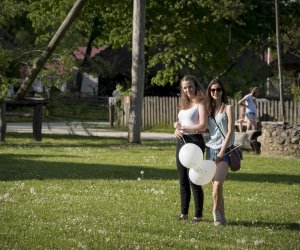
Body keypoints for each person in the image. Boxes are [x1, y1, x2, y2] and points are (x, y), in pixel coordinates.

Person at [174, 75, 207, 224]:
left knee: (194, 179)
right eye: (185, 87)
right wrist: (176, 130)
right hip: (181, 142)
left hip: (195, 142)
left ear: (196, 86)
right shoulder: (183, 104)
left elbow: (202, 126)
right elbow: (179, 123)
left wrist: (184, 127)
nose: (188, 90)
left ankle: (198, 216)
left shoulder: (200, 103)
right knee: (182, 180)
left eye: (190, 86)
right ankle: (184, 213)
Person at [205, 79, 235, 226]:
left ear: (223, 91)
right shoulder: (208, 109)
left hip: (225, 150)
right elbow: (201, 127)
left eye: (218, 89)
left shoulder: (228, 107)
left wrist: (222, 151)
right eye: (212, 90)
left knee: (217, 184)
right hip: (210, 150)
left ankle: (215, 215)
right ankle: (223, 219)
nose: (215, 92)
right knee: (216, 188)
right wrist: (177, 126)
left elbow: (230, 130)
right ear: (209, 92)